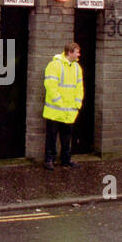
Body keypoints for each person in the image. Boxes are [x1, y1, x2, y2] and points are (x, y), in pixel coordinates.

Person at [43, 41, 83, 169]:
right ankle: (49, 160)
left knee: (66, 137)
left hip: (69, 111)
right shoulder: (54, 65)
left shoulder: (77, 67)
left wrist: (77, 104)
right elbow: (50, 85)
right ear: (70, 52)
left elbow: (79, 87)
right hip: (55, 110)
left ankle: (66, 159)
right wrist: (59, 102)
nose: (79, 55)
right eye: (77, 52)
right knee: (52, 137)